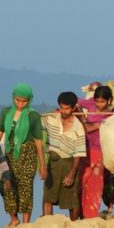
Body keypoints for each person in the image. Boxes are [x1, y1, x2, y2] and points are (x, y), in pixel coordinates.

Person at [0, 83, 46, 228]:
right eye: (18, 100)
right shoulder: (6, 113)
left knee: (25, 188)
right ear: (13, 98)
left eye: (24, 101)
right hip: (10, 154)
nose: (20, 104)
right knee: (7, 186)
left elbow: (38, 141)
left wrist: (42, 166)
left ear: (29, 100)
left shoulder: (33, 116)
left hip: (28, 155)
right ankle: (13, 219)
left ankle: (25, 224)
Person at [42, 91, 86, 219]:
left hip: (69, 163)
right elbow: (34, 125)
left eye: (67, 108)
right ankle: (47, 223)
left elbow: (78, 154)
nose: (64, 111)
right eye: (61, 108)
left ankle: (73, 225)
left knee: (71, 199)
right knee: (48, 196)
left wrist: (72, 174)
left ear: (73, 109)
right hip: (53, 162)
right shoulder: (50, 119)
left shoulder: (78, 128)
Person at [77, 86, 113, 218]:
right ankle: (79, 212)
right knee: (82, 181)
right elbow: (77, 101)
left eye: (102, 102)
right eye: (97, 101)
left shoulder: (110, 116)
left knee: (95, 184)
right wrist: (78, 109)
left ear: (109, 101)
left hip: (99, 152)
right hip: (85, 148)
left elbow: (89, 128)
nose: (99, 104)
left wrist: (84, 120)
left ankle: (91, 215)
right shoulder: (91, 104)